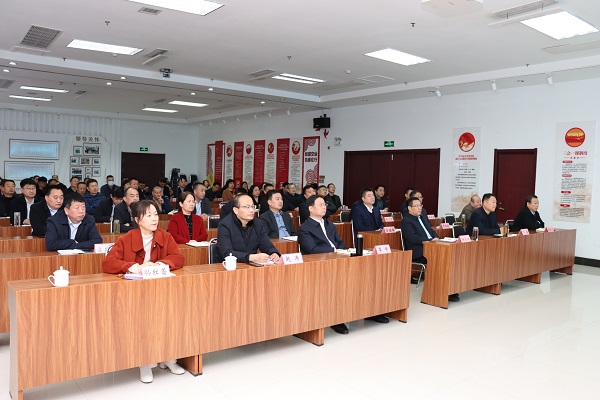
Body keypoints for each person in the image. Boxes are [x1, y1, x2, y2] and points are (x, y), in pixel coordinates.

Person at [102, 199, 185, 383]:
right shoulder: (126, 238)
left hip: (161, 290)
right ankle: (145, 364)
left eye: (155, 214)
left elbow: (178, 258)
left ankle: (169, 359)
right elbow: (108, 263)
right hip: (136, 294)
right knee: (143, 323)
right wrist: (134, 267)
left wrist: (160, 264)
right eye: (148, 215)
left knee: (169, 320)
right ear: (137, 220)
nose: (154, 218)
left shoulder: (165, 236)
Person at [297, 194, 348, 334]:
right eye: (320, 204)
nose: (324, 207)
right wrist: (334, 250)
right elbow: (312, 250)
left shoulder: (329, 224)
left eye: (325, 204)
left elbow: (341, 243)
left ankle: (342, 315)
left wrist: (339, 250)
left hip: (336, 260)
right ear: (311, 208)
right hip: (318, 265)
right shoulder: (305, 228)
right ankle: (333, 319)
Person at [216, 194, 280, 264]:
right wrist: (250, 257)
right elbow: (227, 252)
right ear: (236, 210)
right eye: (247, 207)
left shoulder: (258, 223)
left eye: (252, 206)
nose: (251, 210)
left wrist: (273, 253)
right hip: (229, 266)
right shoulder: (225, 225)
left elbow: (266, 245)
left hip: (251, 265)